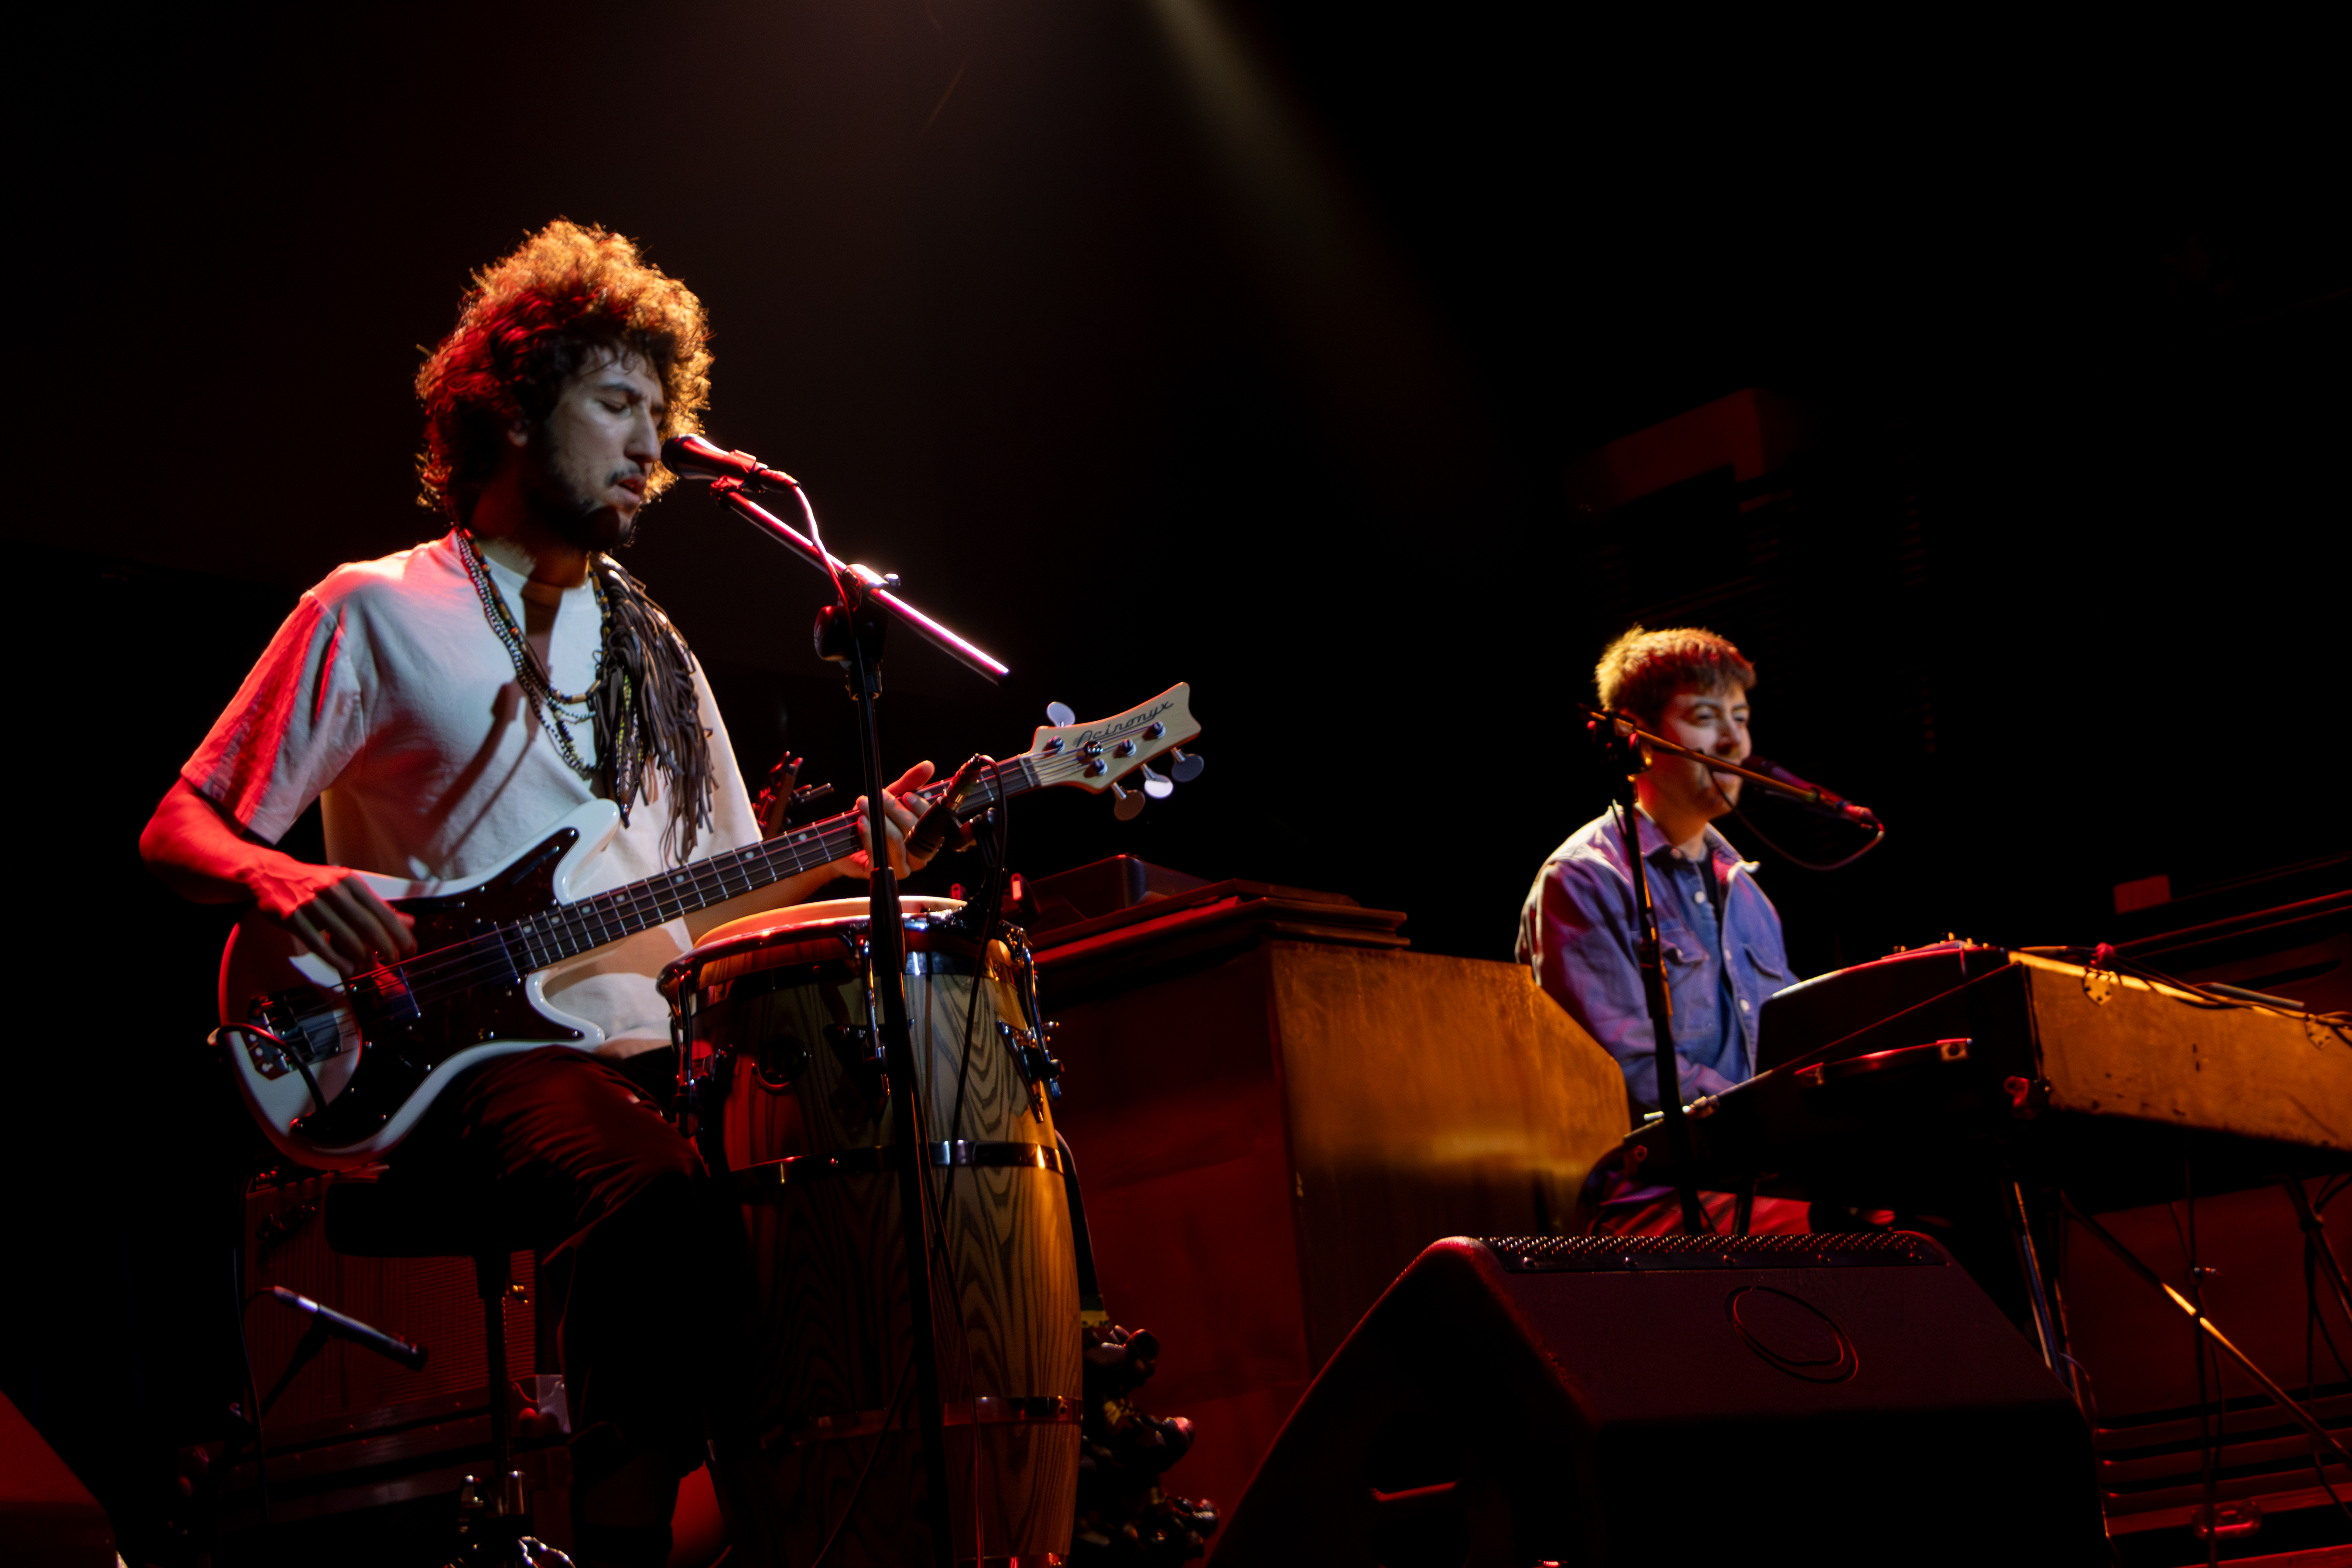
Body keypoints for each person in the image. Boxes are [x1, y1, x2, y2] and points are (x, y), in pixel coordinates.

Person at [139, 219, 938, 1566]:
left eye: (661, 412)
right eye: (617, 404)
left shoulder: (657, 652)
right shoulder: (379, 609)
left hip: (662, 1052)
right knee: (651, 1199)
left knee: (862, 1210)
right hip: (454, 1055)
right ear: (514, 404)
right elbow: (180, 823)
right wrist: (277, 879)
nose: (649, 447)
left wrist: (859, 855)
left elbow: (724, 902)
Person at [1515, 624, 1798, 1233]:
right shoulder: (1585, 880)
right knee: (1856, 1231)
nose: (1732, 740)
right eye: (1705, 716)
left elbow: (1789, 1047)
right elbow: (1627, 1069)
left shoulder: (1749, 894)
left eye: (1741, 717)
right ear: (1633, 736)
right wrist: (1773, 1124)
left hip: (1754, 1175)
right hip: (1642, 1195)